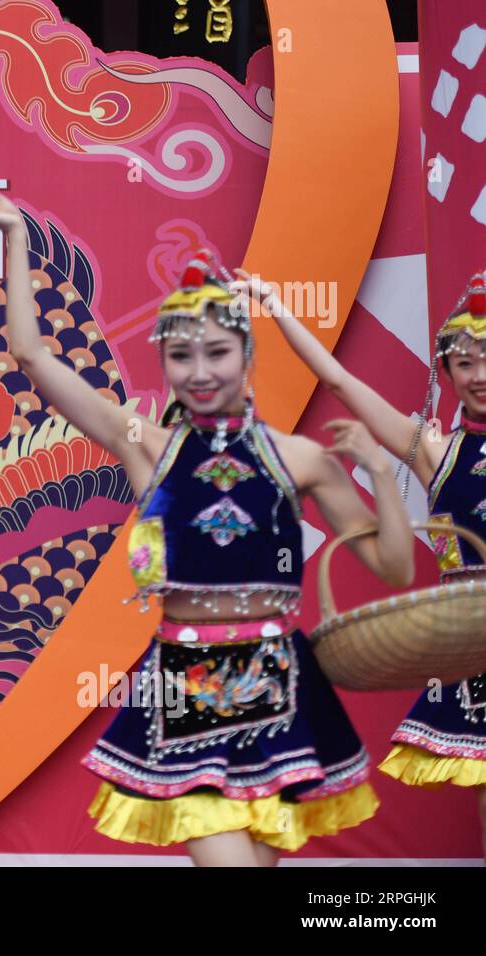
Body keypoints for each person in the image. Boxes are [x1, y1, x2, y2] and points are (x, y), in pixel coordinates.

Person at [0, 183, 415, 865]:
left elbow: (395, 568)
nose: (200, 372)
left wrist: (377, 474)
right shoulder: (146, 444)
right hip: (186, 679)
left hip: (279, 683)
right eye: (182, 356)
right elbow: (33, 357)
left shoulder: (303, 459)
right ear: (164, 361)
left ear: (248, 358)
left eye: (218, 353)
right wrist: (16, 238)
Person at [260, 264, 486, 859]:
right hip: (476, 644)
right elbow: (337, 379)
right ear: (448, 372)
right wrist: (278, 307)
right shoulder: (436, 451)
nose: (479, 375)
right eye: (465, 363)